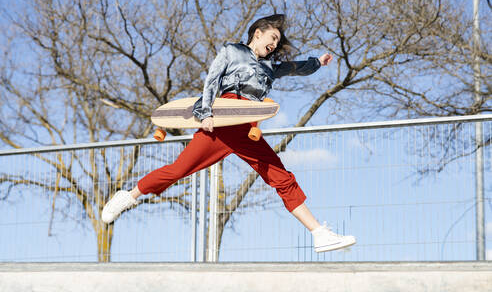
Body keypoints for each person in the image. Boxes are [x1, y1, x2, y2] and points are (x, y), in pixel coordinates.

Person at [101, 14, 356, 252]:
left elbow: (295, 68)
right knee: (179, 169)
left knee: (281, 176)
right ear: (258, 33)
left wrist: (317, 63)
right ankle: (127, 197)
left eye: (278, 42)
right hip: (221, 122)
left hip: (245, 128)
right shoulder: (232, 51)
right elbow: (211, 80)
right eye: (273, 38)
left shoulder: (269, 67)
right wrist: (205, 114)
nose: (275, 44)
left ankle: (319, 233)